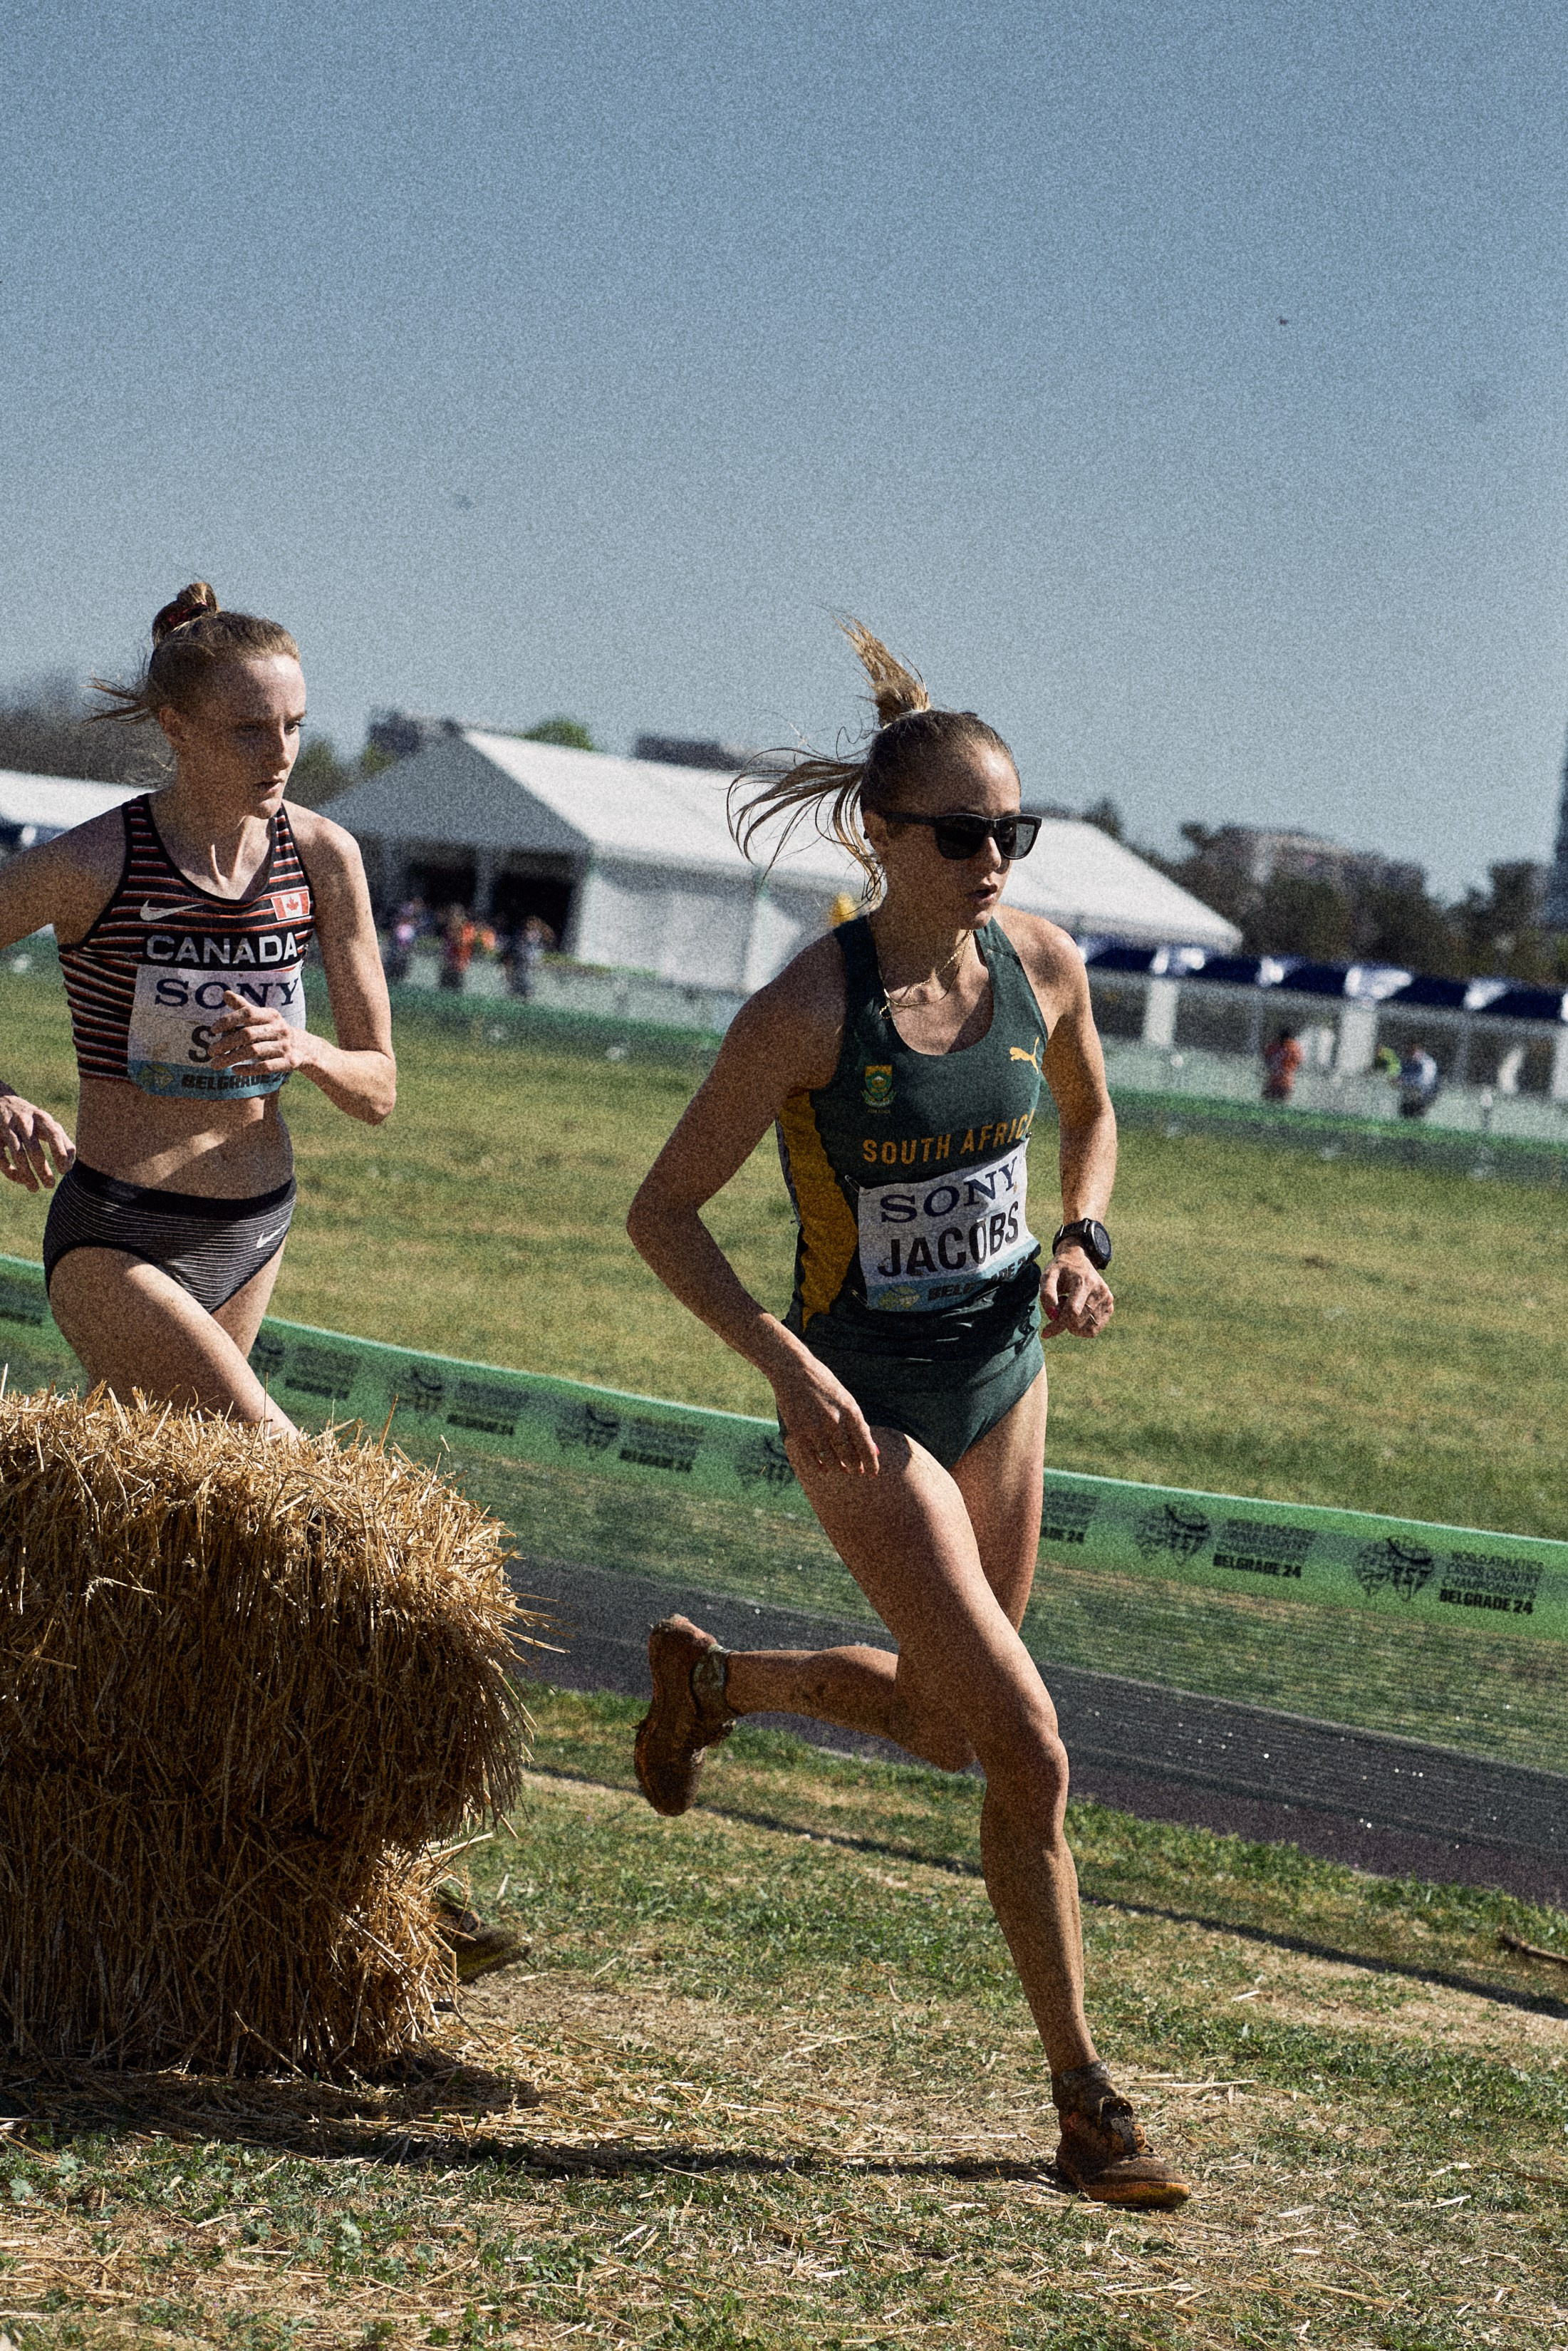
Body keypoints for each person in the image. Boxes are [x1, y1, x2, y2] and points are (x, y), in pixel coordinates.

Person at [625, 622, 1190, 2209]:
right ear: (880, 837)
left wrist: (1080, 1236)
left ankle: (716, 1682)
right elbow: (660, 1213)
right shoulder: (806, 1013)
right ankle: (1087, 2108)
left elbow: (1089, 1121)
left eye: (1013, 831)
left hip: (1002, 1380)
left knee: (949, 1729)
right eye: (962, 835)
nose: (993, 858)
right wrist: (781, 1364)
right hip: (863, 1411)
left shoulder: (1045, 967)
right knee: (1026, 1744)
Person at [0, 581, 395, 1433]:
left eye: (294, 726)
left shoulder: (325, 857)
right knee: (282, 1468)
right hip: (118, 1231)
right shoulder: (93, 861)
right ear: (176, 728)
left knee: (166, 1494)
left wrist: (307, 1051)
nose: (280, 753)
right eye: (250, 729)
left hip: (254, 1224)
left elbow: (378, 1093)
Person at [1397, 1039, 1440, 1119]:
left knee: (1415, 1116)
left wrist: (1404, 1081)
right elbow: (1402, 1075)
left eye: (1413, 1050)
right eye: (1408, 1050)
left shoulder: (1426, 1062)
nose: (1410, 1052)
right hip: (1410, 1094)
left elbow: (1425, 1081)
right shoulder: (1407, 1062)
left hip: (1423, 1095)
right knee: (1404, 1115)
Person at [1261, 1025, 1302, 1103]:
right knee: (1282, 1110)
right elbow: (1299, 1062)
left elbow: (1266, 1060)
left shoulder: (1273, 1046)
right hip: (1287, 1083)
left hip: (1272, 1082)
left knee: (1265, 1108)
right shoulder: (1294, 1048)